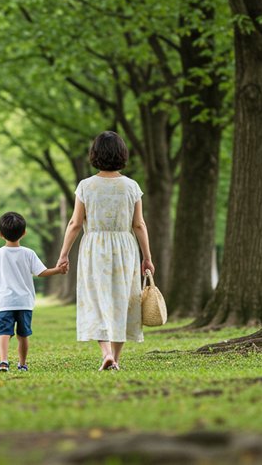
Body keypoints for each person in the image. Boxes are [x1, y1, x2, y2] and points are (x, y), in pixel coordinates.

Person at [56, 131, 155, 371]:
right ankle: (116, 358)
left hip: (94, 247)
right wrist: (147, 258)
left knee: (96, 300)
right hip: (125, 247)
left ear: (95, 154)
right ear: (122, 154)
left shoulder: (86, 186)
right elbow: (139, 224)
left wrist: (64, 254)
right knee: (124, 300)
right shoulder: (131, 186)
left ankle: (106, 353)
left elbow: (75, 224)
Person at [0, 212, 67, 373]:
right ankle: (22, 364)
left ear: (0, 234)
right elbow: (41, 272)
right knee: (23, 335)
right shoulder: (28, 253)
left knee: (4, 333)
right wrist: (58, 270)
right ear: (24, 233)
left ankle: (3, 361)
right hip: (24, 302)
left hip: (4, 303)